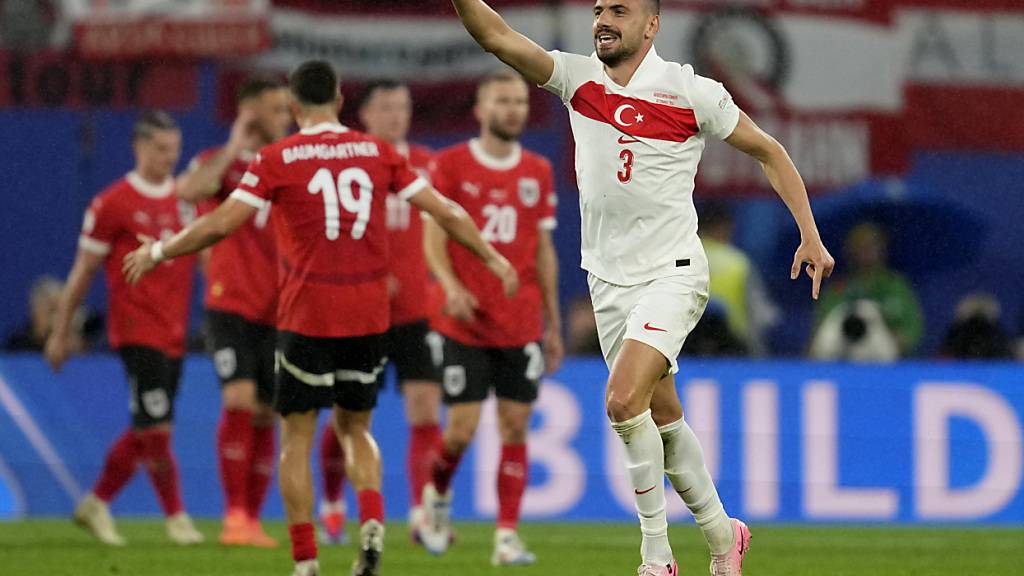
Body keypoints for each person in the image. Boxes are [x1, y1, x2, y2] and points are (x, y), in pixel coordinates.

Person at [448, 1, 835, 575]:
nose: (604, 19)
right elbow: (497, 37)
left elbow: (768, 151)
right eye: (600, 9)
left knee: (621, 400)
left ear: (652, 25)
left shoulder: (690, 91)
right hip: (607, 280)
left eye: (620, 11)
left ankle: (656, 556)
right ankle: (724, 537)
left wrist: (810, 234)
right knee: (662, 416)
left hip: (673, 271)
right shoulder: (576, 79)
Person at [122, 60, 518, 576]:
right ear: (338, 100)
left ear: (293, 106)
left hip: (306, 316)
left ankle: (306, 560)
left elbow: (221, 223)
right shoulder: (377, 153)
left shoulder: (277, 157)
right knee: (357, 428)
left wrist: (158, 253)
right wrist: (491, 256)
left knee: (297, 437)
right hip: (369, 316)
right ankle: (372, 523)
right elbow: (444, 211)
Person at [416, 69, 563, 566]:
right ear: (480, 110)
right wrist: (451, 286)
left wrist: (554, 323)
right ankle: (434, 503)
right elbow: (435, 235)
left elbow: (543, 250)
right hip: (465, 320)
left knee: (516, 426)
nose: (513, 110)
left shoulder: (538, 171)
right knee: (459, 430)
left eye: (519, 101)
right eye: (502, 101)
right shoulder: (451, 164)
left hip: (520, 321)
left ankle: (506, 536)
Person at [44, 111, 204, 547]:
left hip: (175, 331)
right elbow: (82, 273)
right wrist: (60, 332)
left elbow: (205, 253)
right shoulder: (112, 202)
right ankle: (177, 519)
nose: (169, 158)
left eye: (174, 149)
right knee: (155, 429)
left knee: (151, 428)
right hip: (136, 329)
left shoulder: (187, 201)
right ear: (138, 147)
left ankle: (96, 503)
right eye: (160, 149)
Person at [316, 80, 442, 545]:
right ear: (364, 115)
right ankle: (331, 501)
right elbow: (329, 234)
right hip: (360, 309)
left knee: (425, 410)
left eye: (403, 107)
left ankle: (419, 515)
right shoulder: (349, 164)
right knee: (348, 415)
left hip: (415, 311)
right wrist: (363, 272)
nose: (396, 116)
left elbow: (445, 228)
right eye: (386, 107)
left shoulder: (428, 164)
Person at [175, 77, 292, 547]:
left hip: (280, 307)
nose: (284, 117)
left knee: (267, 413)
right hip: (230, 304)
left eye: (287, 109)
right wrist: (234, 145)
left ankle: (251, 519)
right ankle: (233, 516)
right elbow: (189, 190)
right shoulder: (216, 165)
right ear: (249, 112)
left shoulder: (287, 165)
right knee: (239, 401)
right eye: (274, 109)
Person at [815, 222, 923, 357]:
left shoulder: (895, 285)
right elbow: (822, 335)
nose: (866, 252)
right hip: (842, 357)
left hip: (883, 360)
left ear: (882, 249)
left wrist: (897, 338)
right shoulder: (839, 287)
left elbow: (911, 330)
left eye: (872, 246)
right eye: (861, 247)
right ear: (850, 251)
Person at [692, 201, 778, 356]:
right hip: (731, 347)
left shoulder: (684, 259)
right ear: (726, 227)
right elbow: (760, 315)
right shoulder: (738, 262)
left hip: (687, 345)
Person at [5, 276, 101, 352]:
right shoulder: (18, 344)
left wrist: (75, 349)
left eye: (62, 311)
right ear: (36, 311)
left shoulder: (74, 340)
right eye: (52, 310)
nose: (58, 317)